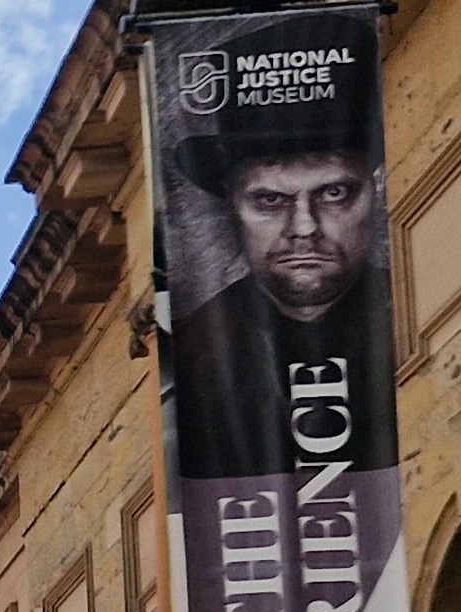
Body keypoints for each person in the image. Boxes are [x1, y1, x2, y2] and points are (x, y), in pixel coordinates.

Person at [163, 13, 397, 484]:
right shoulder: (192, 359)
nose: (305, 228)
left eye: (333, 193)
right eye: (270, 200)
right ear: (231, 207)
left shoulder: (413, 307)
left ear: (373, 192)